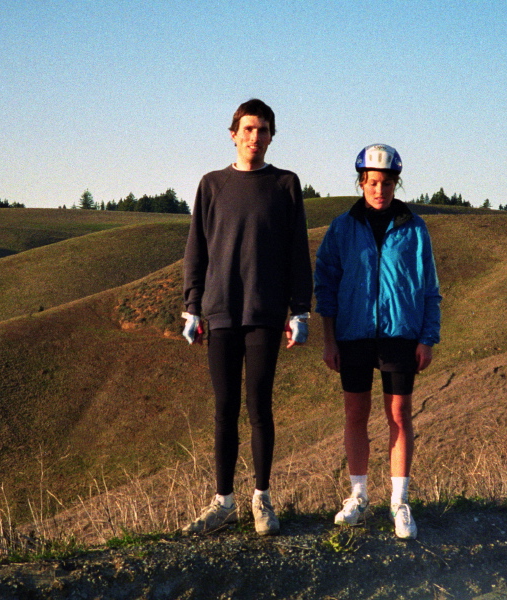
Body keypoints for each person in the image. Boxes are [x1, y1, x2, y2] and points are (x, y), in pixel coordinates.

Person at [180, 98, 313, 536]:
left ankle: (261, 500)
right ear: (234, 133)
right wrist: (191, 306)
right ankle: (222, 501)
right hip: (219, 311)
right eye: (249, 129)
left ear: (272, 136)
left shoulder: (285, 185)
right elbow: (196, 249)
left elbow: (298, 252)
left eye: (264, 130)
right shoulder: (212, 185)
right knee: (224, 408)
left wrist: (300, 311)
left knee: (259, 405)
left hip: (264, 312)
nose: (256, 137)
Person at [314, 144, 441, 539]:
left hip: (400, 333)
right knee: (355, 414)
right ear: (361, 183)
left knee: (399, 415)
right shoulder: (341, 227)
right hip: (352, 333)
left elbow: (430, 288)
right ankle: (358, 496)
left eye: (386, 183)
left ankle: (399, 503)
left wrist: (428, 337)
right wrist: (329, 339)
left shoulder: (415, 228)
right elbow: (326, 285)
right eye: (372, 183)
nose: (379, 190)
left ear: (395, 184)